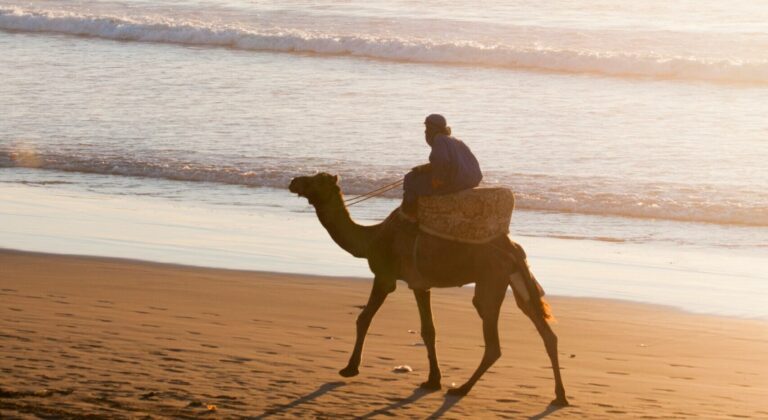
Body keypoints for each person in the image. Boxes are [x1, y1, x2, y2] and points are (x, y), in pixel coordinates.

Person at [401, 114, 483, 220]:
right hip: (472, 180)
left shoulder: (439, 140)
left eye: (427, 128)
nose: (425, 131)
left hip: (456, 182)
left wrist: (437, 179)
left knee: (410, 178)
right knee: (417, 175)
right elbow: (450, 162)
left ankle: (410, 214)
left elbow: (442, 161)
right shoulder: (455, 141)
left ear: (432, 128)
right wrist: (422, 169)